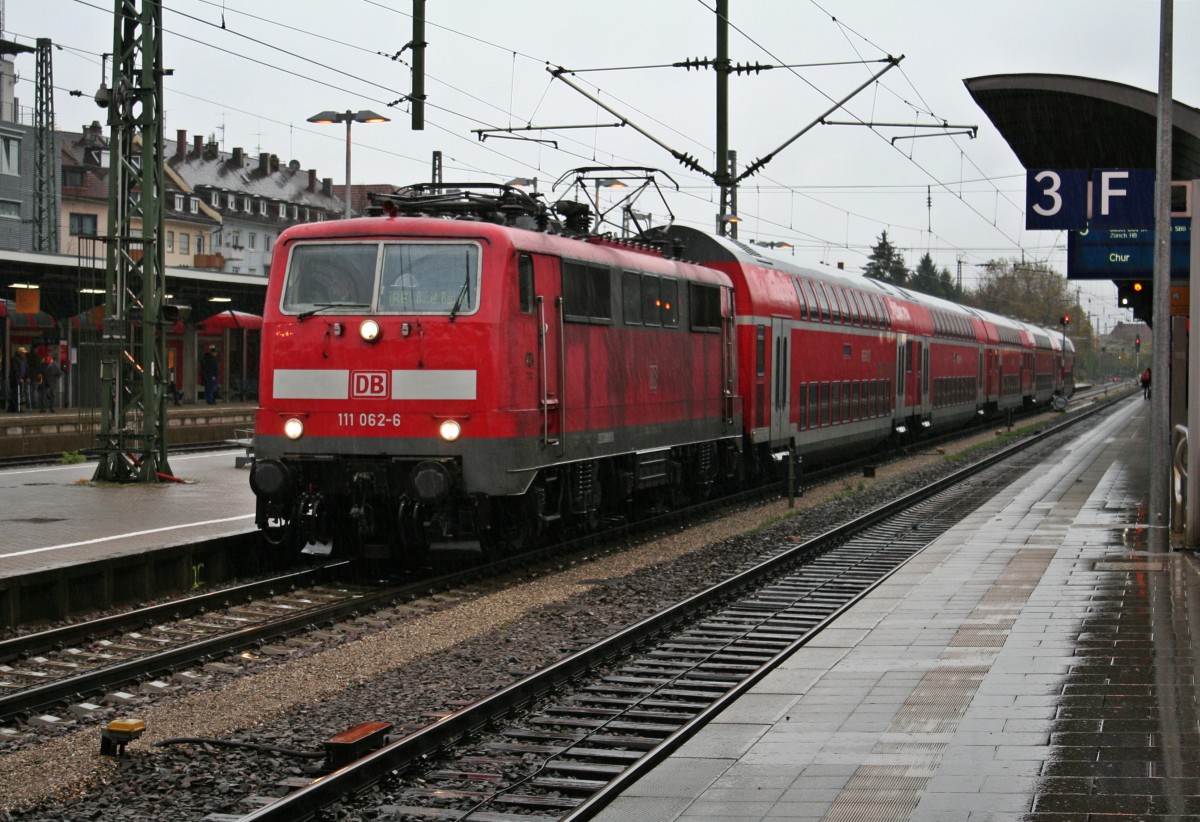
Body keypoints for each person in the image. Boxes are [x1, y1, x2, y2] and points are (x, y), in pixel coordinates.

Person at [8, 347, 30, 412]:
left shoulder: (25, 359)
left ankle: (12, 408)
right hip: (15, 379)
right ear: (19, 353)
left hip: (22, 379)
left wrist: (27, 377)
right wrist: (18, 378)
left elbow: (27, 368)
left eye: (24, 353)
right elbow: (15, 370)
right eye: (23, 353)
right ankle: (15, 408)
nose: (24, 354)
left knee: (19, 393)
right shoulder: (15, 359)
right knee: (15, 393)